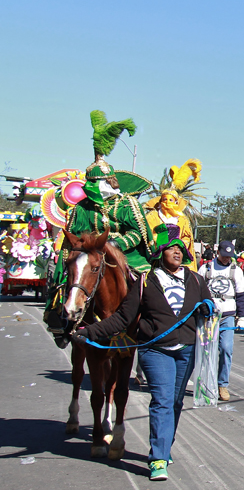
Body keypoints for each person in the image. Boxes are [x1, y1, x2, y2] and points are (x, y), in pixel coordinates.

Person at [73, 233, 213, 481]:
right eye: (171, 248)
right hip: (155, 350)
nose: (178, 252)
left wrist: (208, 307)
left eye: (181, 249)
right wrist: (89, 331)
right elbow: (122, 318)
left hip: (187, 350)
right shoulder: (145, 282)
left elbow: (209, 303)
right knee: (162, 400)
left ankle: (164, 446)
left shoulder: (196, 280)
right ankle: (158, 458)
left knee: (175, 403)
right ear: (160, 254)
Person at [45, 110, 155, 344]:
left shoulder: (127, 204)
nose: (90, 187)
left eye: (96, 182)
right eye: (90, 182)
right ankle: (63, 324)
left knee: (150, 284)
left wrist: (115, 244)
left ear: (110, 182)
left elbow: (138, 232)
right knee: (69, 279)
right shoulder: (82, 207)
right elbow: (73, 234)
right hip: (89, 252)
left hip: (125, 254)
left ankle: (152, 326)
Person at [197, 240, 244, 402]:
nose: (226, 259)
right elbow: (197, 291)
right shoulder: (206, 269)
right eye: (224, 256)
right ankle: (206, 383)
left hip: (227, 316)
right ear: (217, 253)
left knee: (226, 349)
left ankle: (222, 384)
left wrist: (243, 317)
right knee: (207, 352)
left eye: (229, 256)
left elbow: (241, 295)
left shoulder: (236, 271)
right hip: (209, 317)